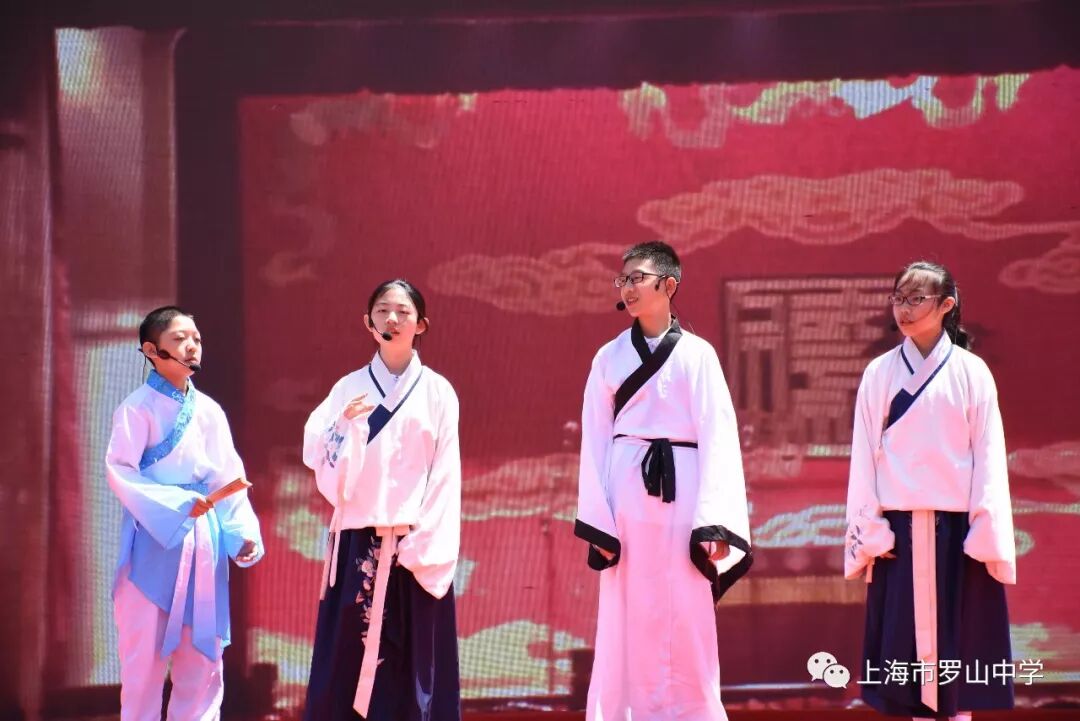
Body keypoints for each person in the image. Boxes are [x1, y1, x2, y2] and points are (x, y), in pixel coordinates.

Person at [574, 241, 752, 721]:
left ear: (668, 285)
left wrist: (714, 523)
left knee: (686, 609)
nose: (628, 288)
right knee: (625, 610)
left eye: (638, 278)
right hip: (626, 498)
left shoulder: (698, 355)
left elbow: (719, 436)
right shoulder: (608, 357)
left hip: (685, 497)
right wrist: (599, 523)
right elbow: (594, 439)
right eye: (623, 280)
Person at [845, 261, 1016, 720]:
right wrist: (871, 530)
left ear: (946, 305)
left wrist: (985, 532)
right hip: (897, 535)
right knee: (902, 657)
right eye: (899, 298)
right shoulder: (879, 373)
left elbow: (989, 455)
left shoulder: (971, 372)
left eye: (917, 299)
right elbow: (863, 457)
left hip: (957, 534)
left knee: (958, 656)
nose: (904, 309)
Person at [302, 279, 462, 721]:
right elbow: (319, 459)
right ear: (367, 322)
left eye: (403, 312)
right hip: (359, 542)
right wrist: (345, 427)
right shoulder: (347, 389)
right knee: (345, 666)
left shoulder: (438, 391)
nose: (392, 319)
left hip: (415, 544)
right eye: (382, 311)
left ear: (421, 324)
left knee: (414, 667)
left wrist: (426, 546)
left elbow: (446, 474)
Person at [105, 305, 263, 721]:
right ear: (151, 350)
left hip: (204, 543)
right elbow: (119, 471)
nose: (192, 345)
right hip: (153, 541)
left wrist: (241, 532)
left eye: (196, 338)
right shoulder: (135, 408)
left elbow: (228, 476)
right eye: (179, 339)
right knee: (143, 662)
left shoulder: (209, 411)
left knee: (204, 658)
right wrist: (175, 506)